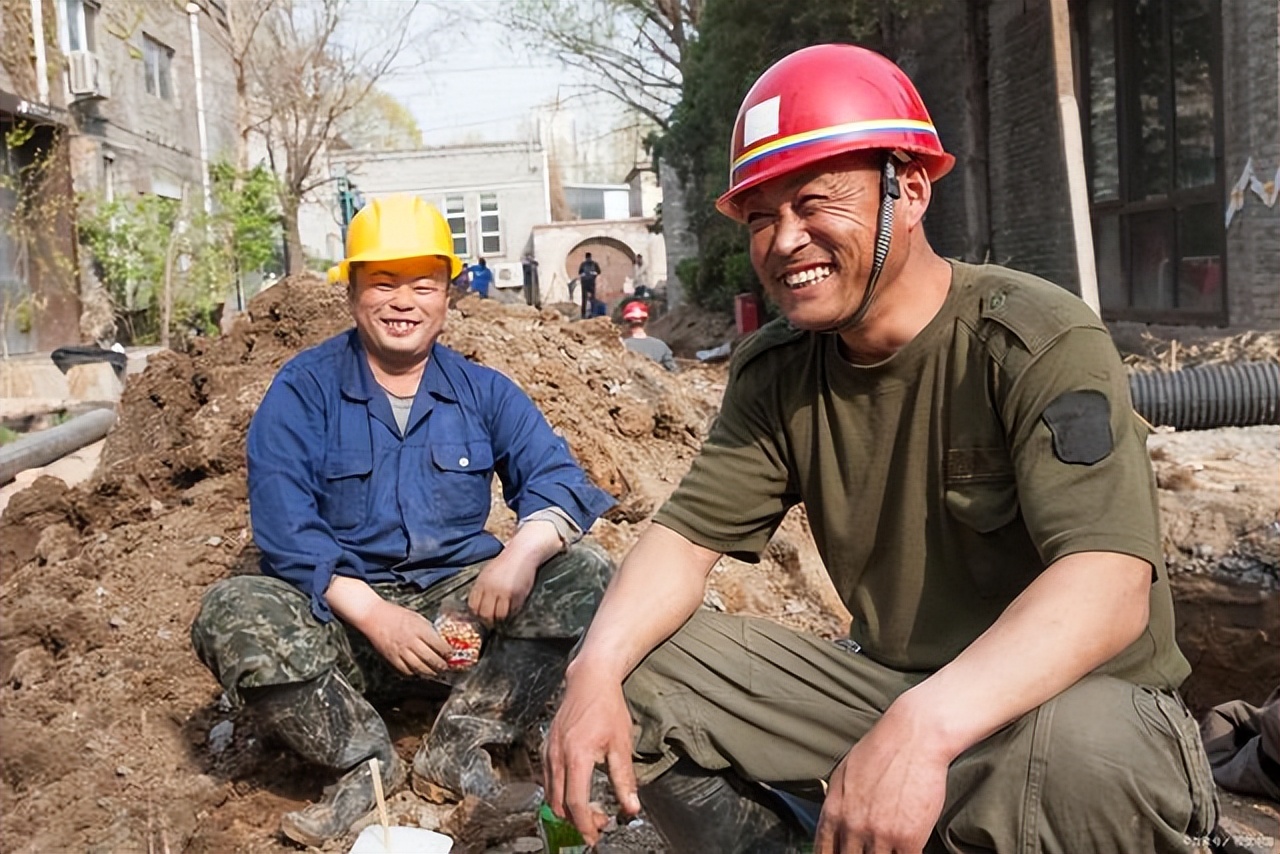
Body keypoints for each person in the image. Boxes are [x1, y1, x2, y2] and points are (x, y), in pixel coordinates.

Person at [542, 44, 1216, 854]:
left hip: (1077, 702)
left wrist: (922, 730)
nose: (786, 240)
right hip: (896, 691)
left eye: (816, 203)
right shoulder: (781, 372)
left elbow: (1107, 587)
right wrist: (593, 673)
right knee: (641, 672)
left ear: (914, 188)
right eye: (762, 217)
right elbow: (684, 543)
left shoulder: (1033, 339)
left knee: (1077, 753)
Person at [190, 195, 615, 847]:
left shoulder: (483, 390)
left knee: (587, 575)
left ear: (449, 295)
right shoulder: (303, 389)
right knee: (231, 612)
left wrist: (519, 555)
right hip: (345, 636)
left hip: (460, 632)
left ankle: (462, 743)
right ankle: (363, 763)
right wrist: (371, 612)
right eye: (382, 283)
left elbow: (557, 482)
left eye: (422, 285)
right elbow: (283, 524)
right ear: (352, 292)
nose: (402, 302)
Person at [619, 300, 676, 372]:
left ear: (626, 322)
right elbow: (673, 372)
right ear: (646, 320)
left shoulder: (621, 347)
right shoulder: (661, 346)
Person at [577, 252, 601, 319]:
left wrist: (593, 274)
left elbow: (599, 272)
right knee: (587, 298)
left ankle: (589, 314)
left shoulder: (589, 264)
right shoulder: (587, 264)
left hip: (588, 282)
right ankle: (587, 314)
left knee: (589, 298)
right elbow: (580, 273)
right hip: (587, 282)